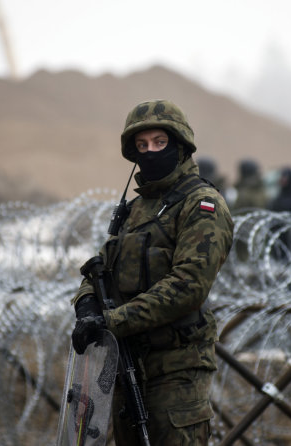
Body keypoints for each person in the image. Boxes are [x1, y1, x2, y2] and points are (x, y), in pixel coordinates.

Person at [70, 99, 234, 445]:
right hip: (127, 363)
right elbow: (99, 267)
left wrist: (112, 321)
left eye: (160, 143)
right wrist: (86, 305)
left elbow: (188, 286)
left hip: (176, 369)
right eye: (142, 145)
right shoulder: (136, 210)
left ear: (180, 145)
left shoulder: (201, 205)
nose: (150, 152)